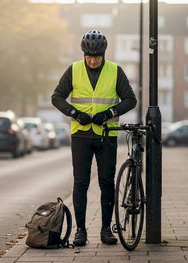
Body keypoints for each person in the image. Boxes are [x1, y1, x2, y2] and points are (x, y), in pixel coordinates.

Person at [51, 30, 137, 246]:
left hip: (106, 135)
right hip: (80, 135)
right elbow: (56, 97)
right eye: (88, 56)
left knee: (107, 183)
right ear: (83, 53)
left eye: (96, 56)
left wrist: (109, 113)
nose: (92, 60)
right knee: (80, 183)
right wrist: (73, 113)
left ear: (104, 54)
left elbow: (130, 100)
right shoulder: (74, 70)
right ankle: (80, 231)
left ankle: (106, 229)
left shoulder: (115, 71)